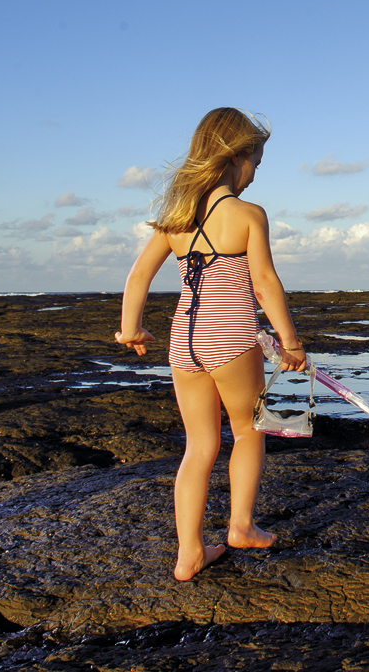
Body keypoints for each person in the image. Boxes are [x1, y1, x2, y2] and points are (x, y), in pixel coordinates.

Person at [115, 107, 309, 581]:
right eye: (256, 164)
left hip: (184, 340)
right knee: (248, 430)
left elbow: (138, 276)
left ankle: (189, 554)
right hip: (231, 336)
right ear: (235, 156)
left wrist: (131, 329)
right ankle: (241, 527)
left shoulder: (176, 219)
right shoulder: (246, 215)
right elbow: (263, 283)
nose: (254, 175)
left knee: (198, 447)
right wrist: (291, 342)